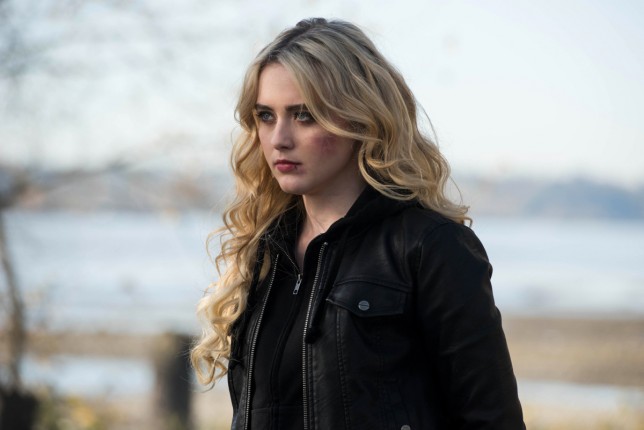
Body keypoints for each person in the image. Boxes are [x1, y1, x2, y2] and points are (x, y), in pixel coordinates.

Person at [191, 17, 525, 430]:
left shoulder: (430, 247)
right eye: (265, 115)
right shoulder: (264, 253)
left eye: (304, 115)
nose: (279, 139)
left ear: (359, 117)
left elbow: (492, 420)